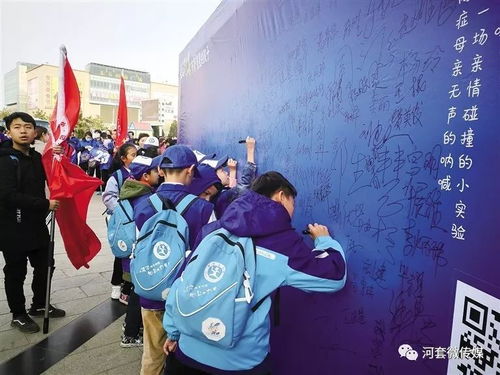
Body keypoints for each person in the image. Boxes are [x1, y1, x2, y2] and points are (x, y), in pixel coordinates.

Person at [163, 171, 347, 374]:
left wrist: (173, 331)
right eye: (293, 203)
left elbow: (183, 282)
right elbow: (334, 277)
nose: (293, 211)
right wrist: (324, 240)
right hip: (238, 362)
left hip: (187, 353)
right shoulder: (283, 242)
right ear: (281, 196)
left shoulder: (213, 229)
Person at [133, 145, 214, 375]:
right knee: (185, 359)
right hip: (186, 298)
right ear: (190, 170)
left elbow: (137, 250)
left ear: (160, 170)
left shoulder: (143, 205)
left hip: (151, 291)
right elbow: (207, 254)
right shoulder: (204, 209)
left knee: (152, 354)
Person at [0, 112, 66, 333]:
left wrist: (56, 156)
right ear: (8, 132)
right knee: (16, 271)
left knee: (46, 266)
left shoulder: (37, 158)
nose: (23, 131)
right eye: (17, 127)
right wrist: (44, 204)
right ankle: (18, 314)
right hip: (12, 227)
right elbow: (7, 195)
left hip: (36, 225)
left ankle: (39, 304)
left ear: (35, 132)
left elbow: (56, 174)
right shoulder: (4, 159)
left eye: (28, 127)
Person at [118, 155, 161, 348]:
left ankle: (130, 328)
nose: (159, 174)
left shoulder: (130, 191)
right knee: (138, 293)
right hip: (141, 253)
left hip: (130, 253)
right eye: (155, 171)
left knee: (136, 290)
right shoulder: (146, 199)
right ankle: (130, 334)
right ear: (145, 176)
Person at [102, 143, 137, 301]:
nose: (136, 158)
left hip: (135, 219)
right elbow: (108, 197)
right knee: (121, 251)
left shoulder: (141, 173)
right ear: (123, 158)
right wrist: (122, 211)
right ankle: (116, 284)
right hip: (120, 220)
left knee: (133, 253)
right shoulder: (117, 176)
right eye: (132, 155)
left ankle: (127, 284)